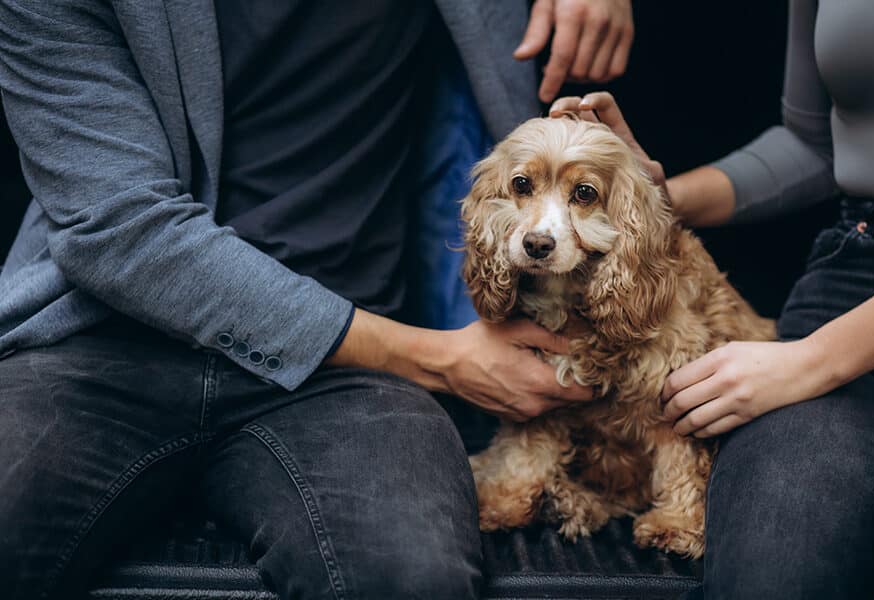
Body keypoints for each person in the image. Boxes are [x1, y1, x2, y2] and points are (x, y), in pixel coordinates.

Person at [0, 0, 634, 598]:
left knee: (411, 579)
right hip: (98, 340)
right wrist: (438, 359)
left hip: (345, 373)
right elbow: (123, 232)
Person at [551, 1, 874, 598]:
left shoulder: (817, 358)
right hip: (858, 282)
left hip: (856, 345)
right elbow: (813, 147)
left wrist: (814, 360)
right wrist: (645, 201)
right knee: (774, 570)